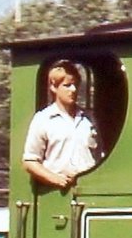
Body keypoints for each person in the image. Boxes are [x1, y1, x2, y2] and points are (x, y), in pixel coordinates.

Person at [22, 60, 102, 188]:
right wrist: (55, 179)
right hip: (58, 194)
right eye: (67, 85)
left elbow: (99, 156)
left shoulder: (89, 118)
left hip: (89, 190)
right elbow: (30, 161)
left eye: (76, 85)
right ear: (54, 87)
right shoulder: (43, 119)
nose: (73, 90)